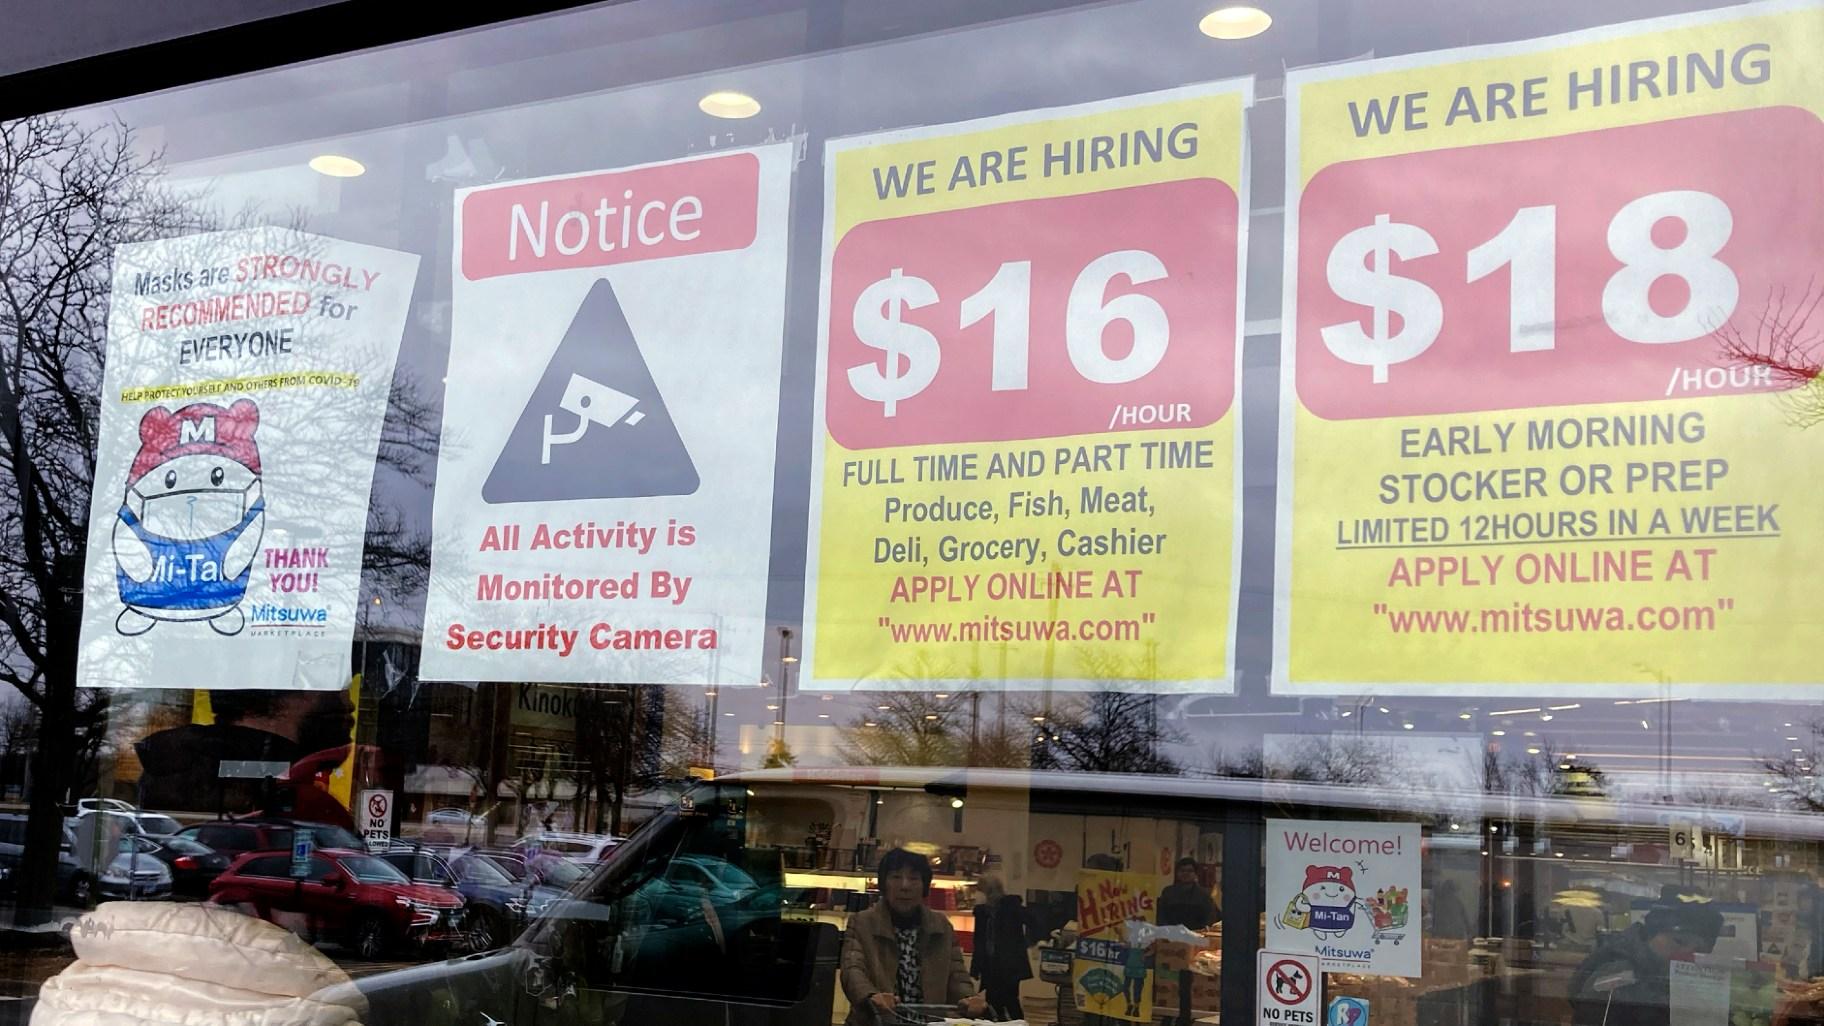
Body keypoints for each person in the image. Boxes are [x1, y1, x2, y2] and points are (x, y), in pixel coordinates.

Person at [134, 688, 357, 826]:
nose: (348, 702)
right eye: (328, 681)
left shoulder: (173, 770)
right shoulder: (299, 797)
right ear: (274, 699)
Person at [841, 848, 988, 1025]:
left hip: (930, 1021)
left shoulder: (941, 926)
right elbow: (852, 969)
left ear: (925, 885)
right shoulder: (862, 923)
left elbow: (957, 974)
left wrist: (969, 998)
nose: (905, 886)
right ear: (884, 884)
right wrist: (871, 996)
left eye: (914, 878)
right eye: (896, 877)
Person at [1568, 890, 1723, 1026]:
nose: (1686, 953)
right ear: (1652, 934)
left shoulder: (1660, 971)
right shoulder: (1620, 974)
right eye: (1679, 941)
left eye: (1700, 950)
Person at [970, 877, 1032, 1019]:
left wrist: (1026, 943)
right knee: (992, 1002)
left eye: (980, 890)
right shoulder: (981, 912)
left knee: (1010, 1000)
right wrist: (976, 967)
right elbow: (979, 941)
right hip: (990, 965)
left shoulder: (1010, 906)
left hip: (1009, 965)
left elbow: (1032, 920)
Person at [1156, 857, 1218, 930]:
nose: (1185, 873)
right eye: (1182, 870)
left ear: (1195, 874)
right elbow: (1161, 917)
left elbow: (1209, 919)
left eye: (1189, 871)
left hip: (1196, 936)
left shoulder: (1203, 894)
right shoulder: (1168, 892)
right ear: (1177, 873)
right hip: (1171, 936)